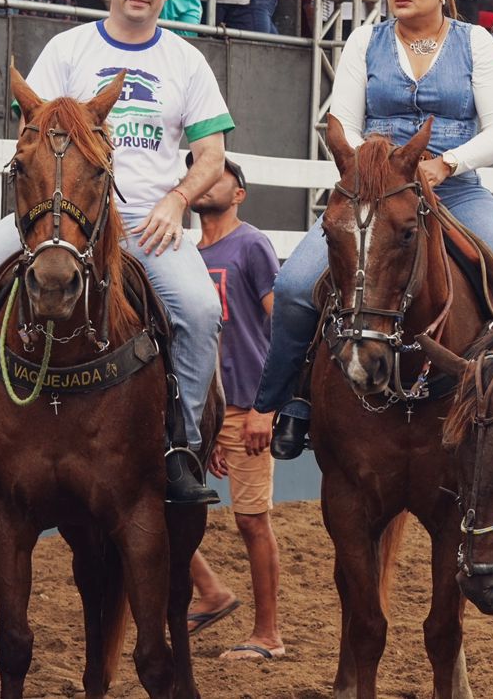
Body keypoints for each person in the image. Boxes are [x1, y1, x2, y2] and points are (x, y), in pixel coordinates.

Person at [0, 0, 230, 522]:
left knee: (200, 311)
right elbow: (34, 136)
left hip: (145, 219)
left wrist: (177, 202)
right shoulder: (69, 49)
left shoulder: (186, 60)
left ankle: (182, 448)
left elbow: (211, 156)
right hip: (58, 213)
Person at [257, 0, 493, 458]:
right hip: (377, 191)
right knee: (297, 285)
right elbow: (340, 121)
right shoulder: (364, 41)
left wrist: (447, 162)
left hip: (454, 188)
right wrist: (366, 162)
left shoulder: (476, 42)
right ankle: (289, 402)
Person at [184, 154, 286, 660]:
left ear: (239, 192)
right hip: (200, 410)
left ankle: (269, 635)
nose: (205, 179)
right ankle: (211, 591)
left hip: (246, 404)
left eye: (219, 173)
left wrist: (265, 408)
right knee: (160, 507)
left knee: (251, 520)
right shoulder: (182, 253)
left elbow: (282, 329)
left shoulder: (252, 245)